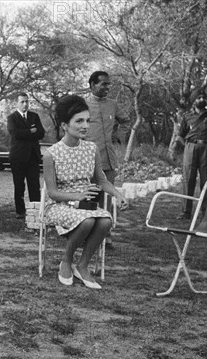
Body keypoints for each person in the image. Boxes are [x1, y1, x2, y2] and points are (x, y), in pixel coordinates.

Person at [42, 95, 128, 289]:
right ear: (65, 125)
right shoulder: (51, 154)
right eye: (79, 121)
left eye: (88, 121)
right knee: (87, 220)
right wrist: (76, 196)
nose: (85, 126)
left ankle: (82, 266)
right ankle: (66, 261)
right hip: (58, 205)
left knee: (105, 220)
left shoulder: (91, 148)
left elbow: (101, 180)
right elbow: (53, 193)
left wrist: (119, 195)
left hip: (84, 205)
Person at [84, 71, 130, 247]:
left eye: (108, 84)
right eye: (103, 84)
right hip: (87, 158)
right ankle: (85, 234)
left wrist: (119, 136)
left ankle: (105, 235)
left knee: (107, 198)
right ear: (92, 85)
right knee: (88, 197)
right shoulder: (83, 104)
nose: (107, 87)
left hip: (108, 159)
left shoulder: (112, 104)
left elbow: (126, 121)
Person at [169, 95, 207, 219]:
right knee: (188, 179)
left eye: (204, 97)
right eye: (198, 97)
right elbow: (180, 135)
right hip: (190, 148)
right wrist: (188, 146)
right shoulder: (187, 116)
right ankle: (186, 212)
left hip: (206, 148)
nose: (201, 99)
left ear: (206, 101)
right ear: (194, 102)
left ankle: (205, 211)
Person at [7, 93, 46, 219]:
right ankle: (20, 211)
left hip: (33, 157)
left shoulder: (34, 116)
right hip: (18, 157)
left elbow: (41, 133)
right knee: (19, 185)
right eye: (22, 102)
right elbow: (15, 133)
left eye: (27, 101)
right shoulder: (12, 118)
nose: (25, 104)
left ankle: (36, 211)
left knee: (34, 185)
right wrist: (30, 131)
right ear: (16, 103)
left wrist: (27, 133)